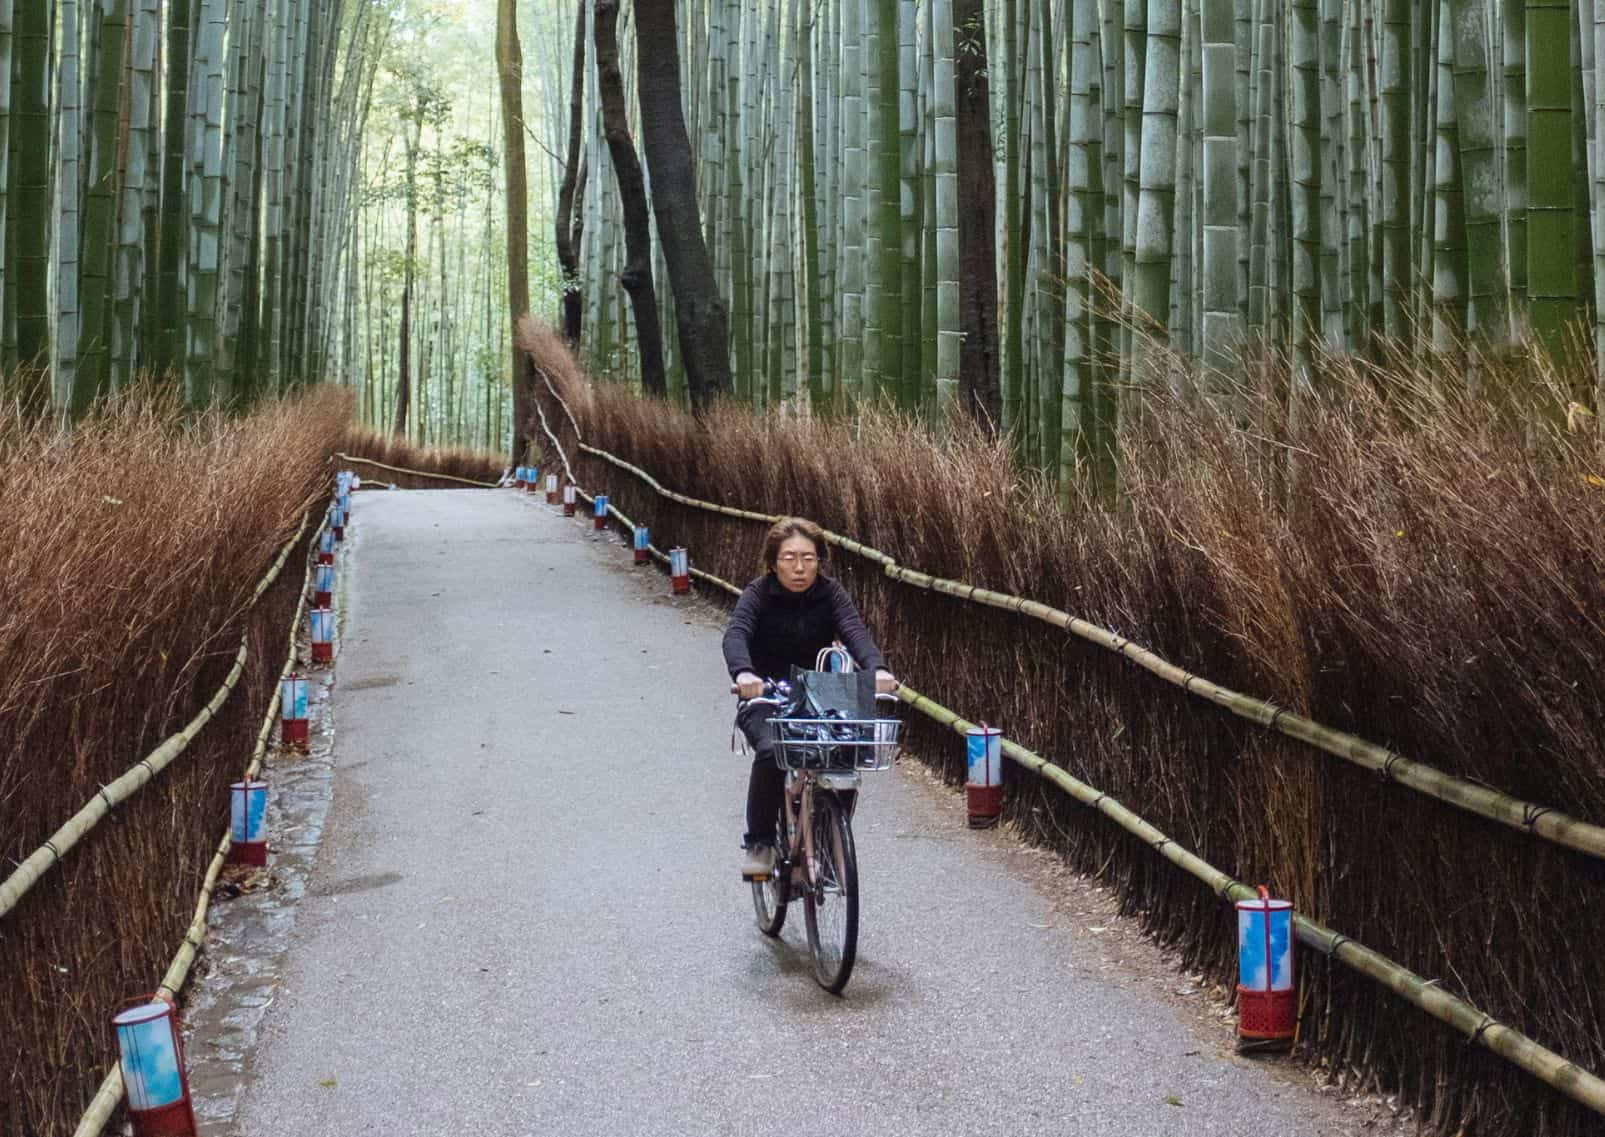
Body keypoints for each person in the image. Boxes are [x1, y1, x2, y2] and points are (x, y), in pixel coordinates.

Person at [722, 517, 897, 879]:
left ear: (820, 561)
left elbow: (855, 633)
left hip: (822, 695)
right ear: (773, 562)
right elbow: (736, 634)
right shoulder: (758, 594)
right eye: (789, 558)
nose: (799, 567)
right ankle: (760, 843)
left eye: (809, 558)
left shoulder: (831, 594)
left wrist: (876, 670)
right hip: (768, 693)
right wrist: (744, 673)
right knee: (772, 751)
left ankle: (829, 843)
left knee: (847, 755)